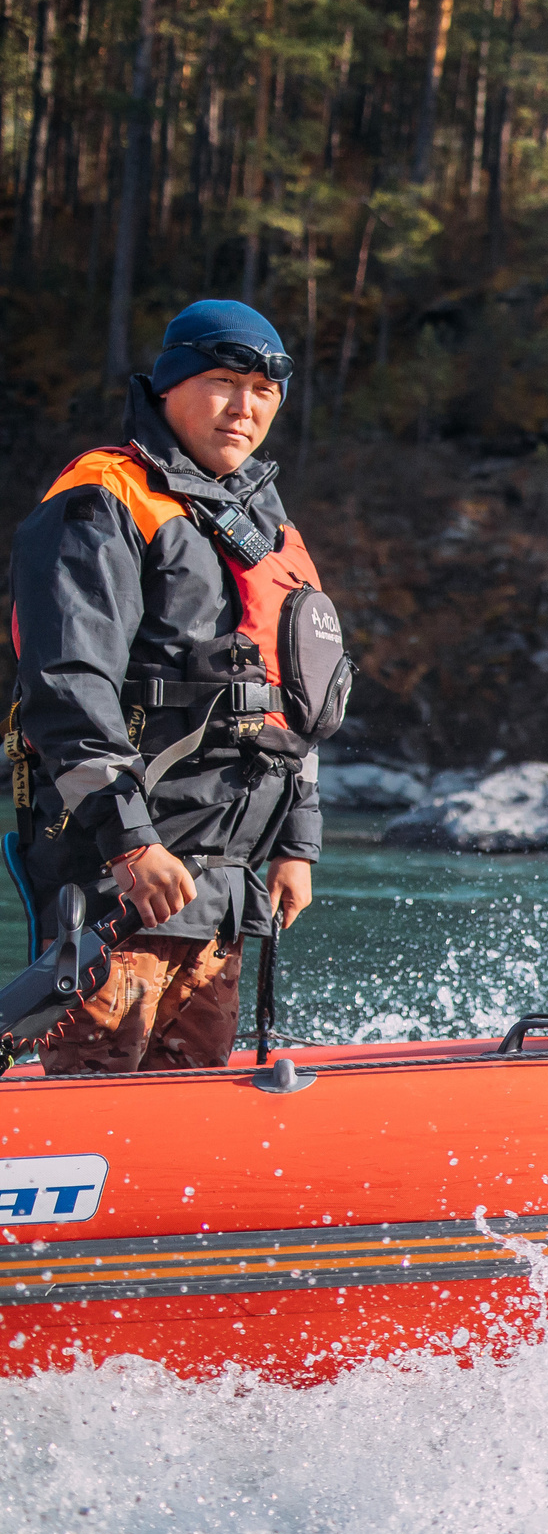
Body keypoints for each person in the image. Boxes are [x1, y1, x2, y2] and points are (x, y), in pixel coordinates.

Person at [6, 300, 348, 1073]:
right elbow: (67, 684)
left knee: (189, 1086)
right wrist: (130, 842)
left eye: (264, 392)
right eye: (225, 382)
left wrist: (298, 845)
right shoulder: (105, 496)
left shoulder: (267, 528)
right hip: (119, 874)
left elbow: (301, 699)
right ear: (169, 385)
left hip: (224, 886)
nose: (245, 407)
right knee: (94, 1082)